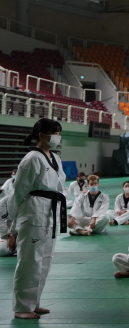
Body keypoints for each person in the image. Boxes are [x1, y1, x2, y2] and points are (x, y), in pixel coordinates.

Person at [9, 119, 66, 319]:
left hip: (51, 213)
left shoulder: (55, 159)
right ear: (42, 135)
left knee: (44, 261)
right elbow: (17, 193)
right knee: (29, 261)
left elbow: (59, 187)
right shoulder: (31, 159)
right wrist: (12, 226)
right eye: (54, 133)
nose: (58, 137)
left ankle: (34, 302)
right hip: (33, 212)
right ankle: (22, 307)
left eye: (59, 132)